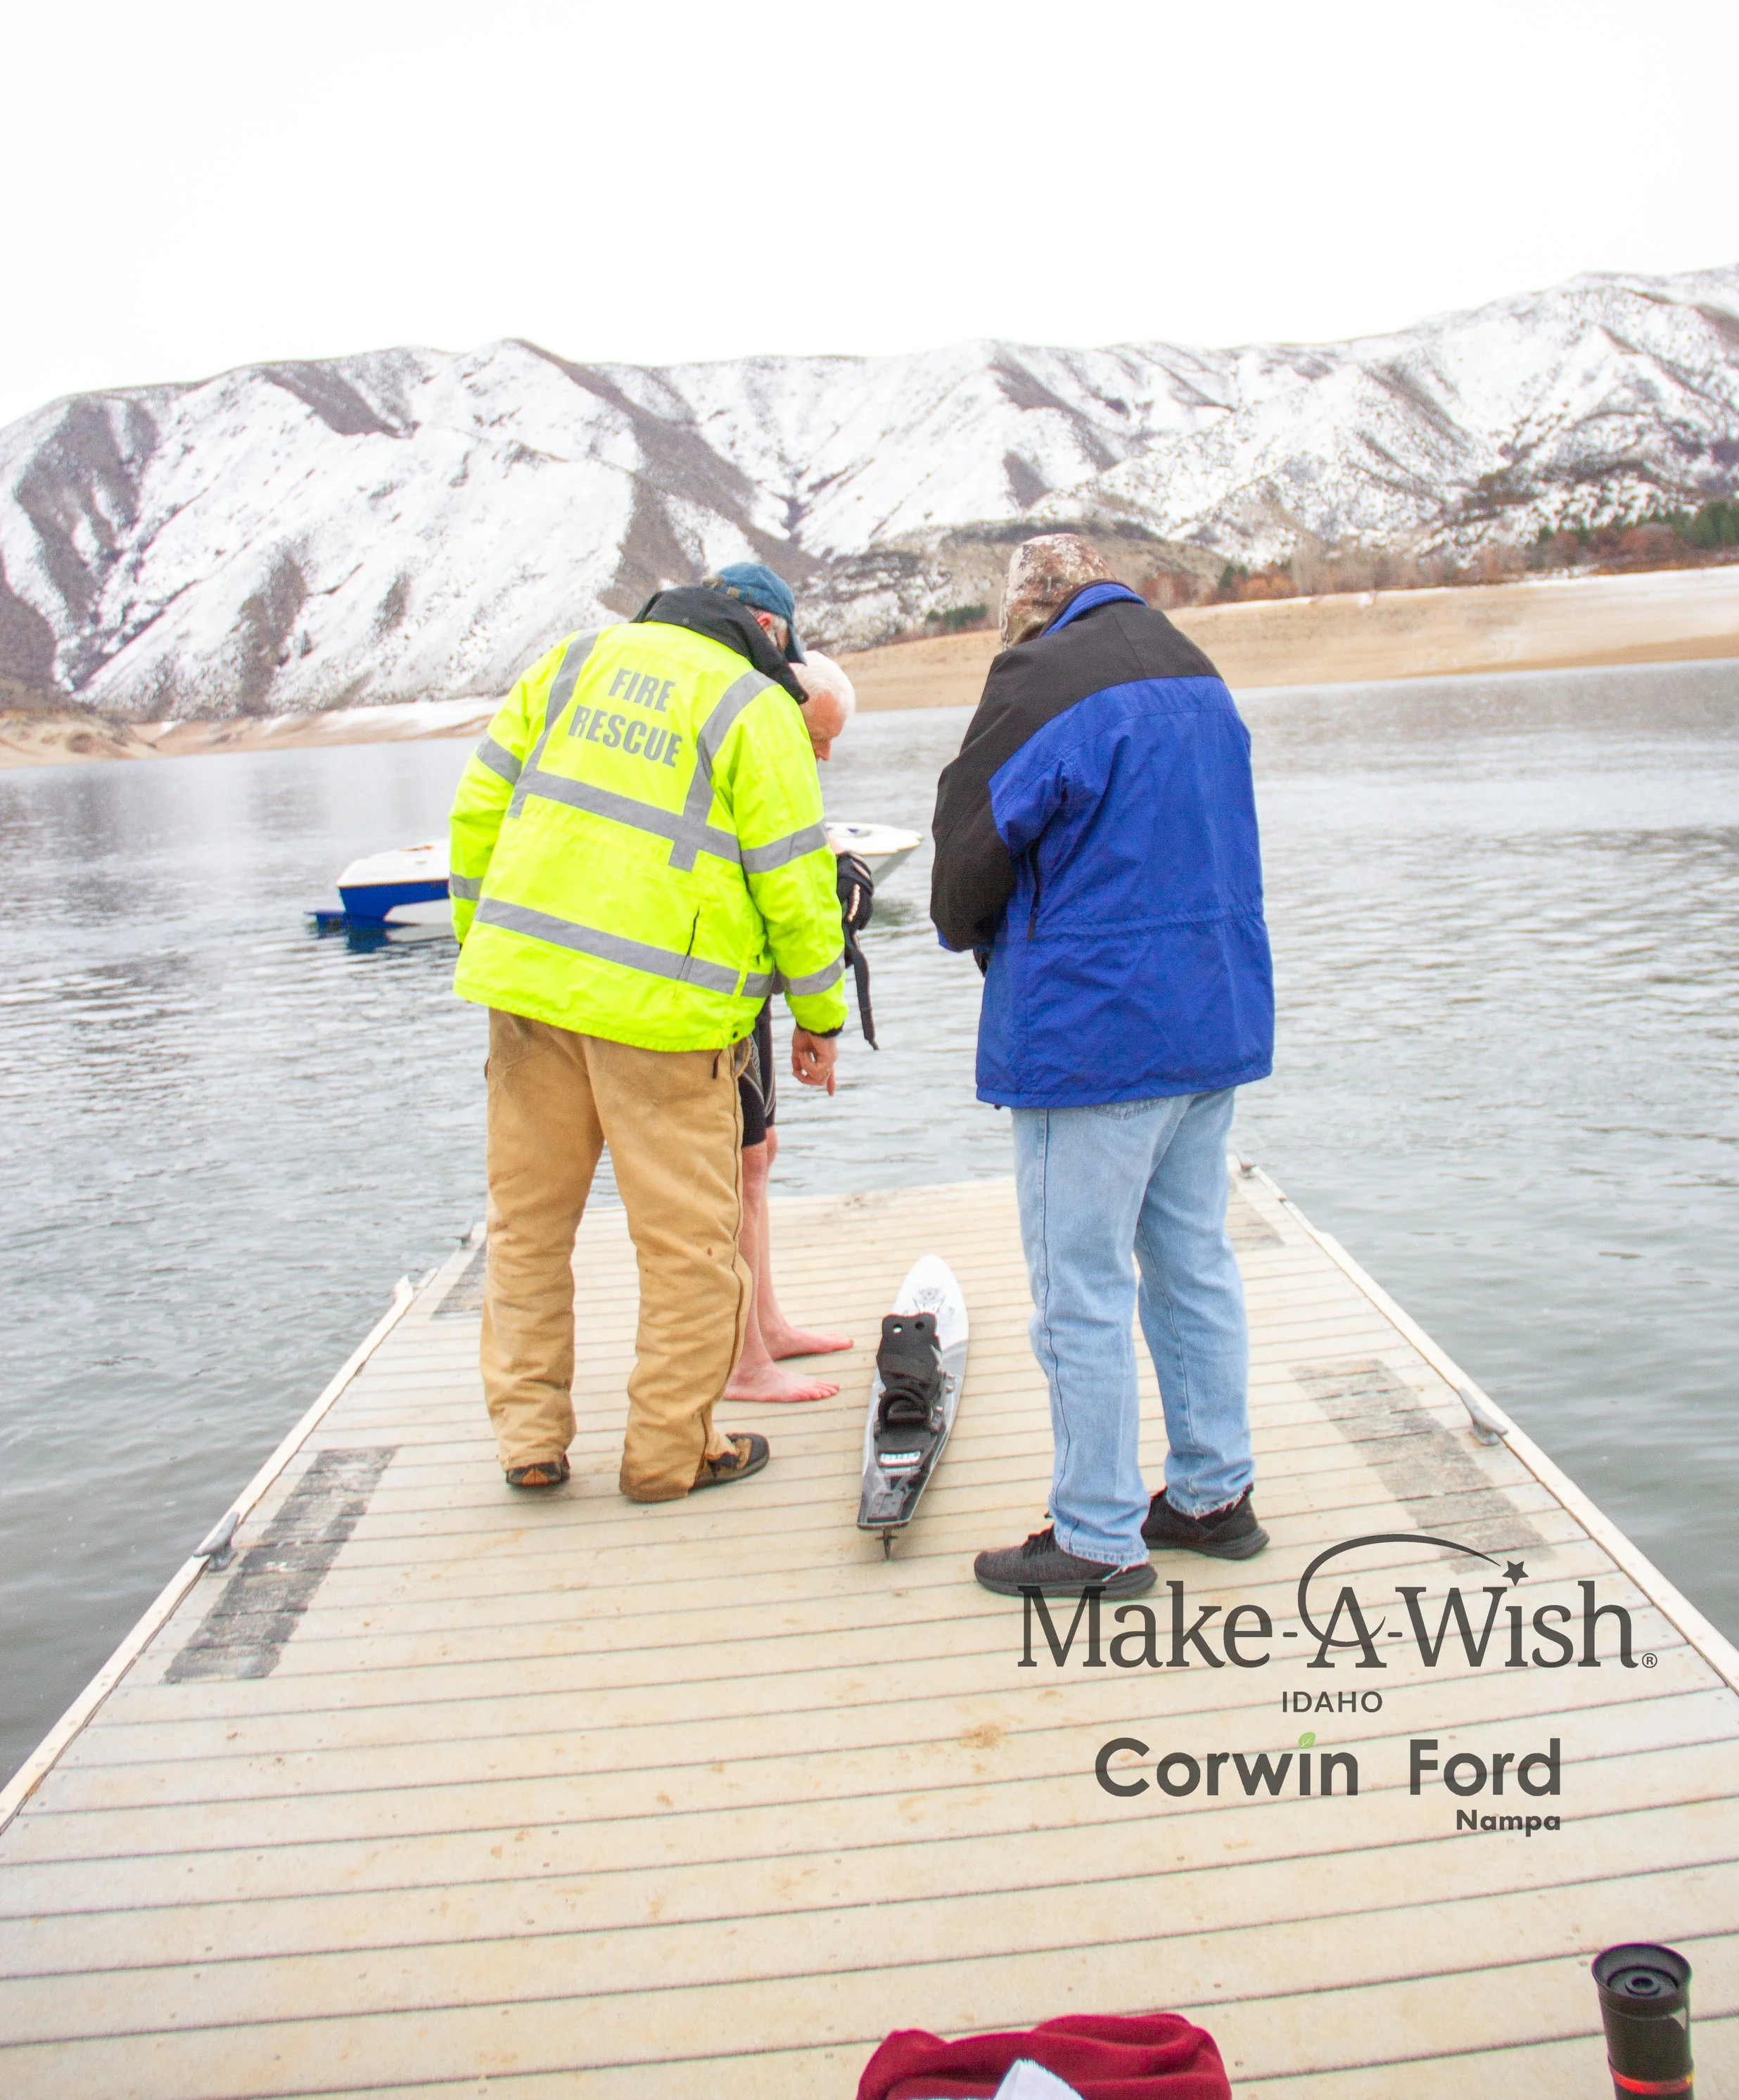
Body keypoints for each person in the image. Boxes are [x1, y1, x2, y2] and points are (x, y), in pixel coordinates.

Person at [930, 532, 1275, 1599]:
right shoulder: (1193, 666)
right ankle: (1215, 1495)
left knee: (1078, 1290)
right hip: (1209, 1017)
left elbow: (967, 859)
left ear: (1030, 606)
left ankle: (1095, 1533)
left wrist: (975, 930)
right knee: (1192, 1265)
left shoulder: (1040, 678)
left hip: (1094, 1037)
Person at [448, 575, 845, 1499]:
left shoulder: (568, 663)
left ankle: (531, 1440)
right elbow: (795, 876)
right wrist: (821, 1012)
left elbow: (477, 813)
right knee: (687, 1246)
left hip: (528, 996)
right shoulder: (756, 703)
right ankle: (670, 1452)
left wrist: (489, 939)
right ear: (770, 632)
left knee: (526, 1231)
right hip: (666, 1016)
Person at [725, 648, 859, 1404]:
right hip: (716, 993)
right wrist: (820, 1018)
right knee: (736, 1163)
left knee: (760, 1151)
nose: (826, 754)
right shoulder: (756, 738)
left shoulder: (777, 752)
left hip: (750, 990)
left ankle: (766, 1324)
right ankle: (743, 1359)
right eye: (819, 736)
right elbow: (779, 883)